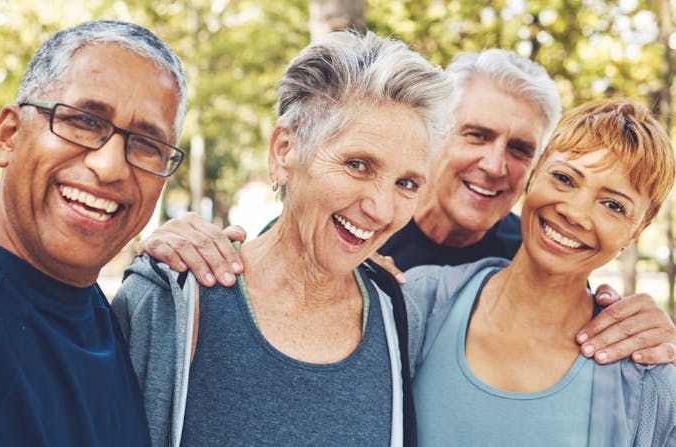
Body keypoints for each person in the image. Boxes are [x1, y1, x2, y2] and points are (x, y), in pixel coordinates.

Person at [141, 49, 676, 367]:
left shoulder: (531, 257)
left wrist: (652, 330)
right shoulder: (343, 222)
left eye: (519, 150)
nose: (494, 165)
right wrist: (183, 241)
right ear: (437, 137)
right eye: (476, 134)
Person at [112, 30, 455, 446]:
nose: (381, 209)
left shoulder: (400, 316)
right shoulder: (169, 300)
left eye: (406, 183)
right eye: (358, 165)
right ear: (284, 151)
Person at [0, 20, 187, 445]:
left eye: (147, 145)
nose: (109, 166)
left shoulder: (129, 328)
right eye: (84, 121)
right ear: (8, 136)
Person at [406, 98, 676, 445]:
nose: (575, 213)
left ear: (637, 230)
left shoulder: (646, 381)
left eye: (613, 205)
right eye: (564, 178)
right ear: (534, 175)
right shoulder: (418, 303)